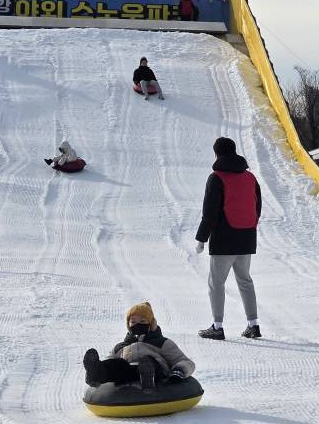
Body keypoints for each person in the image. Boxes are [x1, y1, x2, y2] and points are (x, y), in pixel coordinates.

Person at [195, 137, 262, 340]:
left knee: (216, 283)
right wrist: (249, 227)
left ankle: (217, 327)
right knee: (245, 281)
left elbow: (210, 212)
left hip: (224, 239)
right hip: (246, 237)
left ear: (217, 154)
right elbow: (257, 206)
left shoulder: (216, 178)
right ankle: (253, 325)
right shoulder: (250, 177)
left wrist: (201, 238)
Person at [83, 301, 195, 391]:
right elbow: (110, 363)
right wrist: (103, 368)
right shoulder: (121, 347)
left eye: (142, 321)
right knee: (119, 364)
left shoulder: (162, 343)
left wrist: (179, 370)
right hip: (128, 374)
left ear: (151, 324)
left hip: (157, 373)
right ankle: (95, 373)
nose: (137, 325)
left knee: (147, 361)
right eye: (133, 322)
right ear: (128, 325)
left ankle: (148, 377)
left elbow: (185, 361)